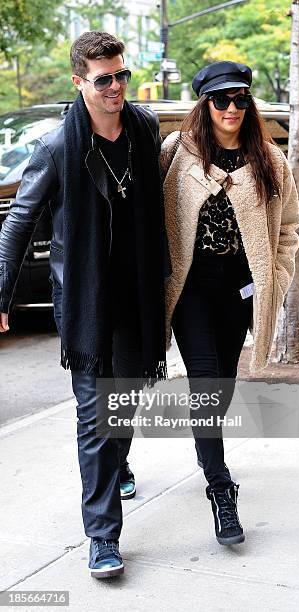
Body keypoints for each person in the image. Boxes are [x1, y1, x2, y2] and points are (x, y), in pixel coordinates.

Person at [0, 31, 169, 578]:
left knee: (128, 400)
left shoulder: (144, 127)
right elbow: (18, 223)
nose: (117, 86)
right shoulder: (55, 148)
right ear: (80, 82)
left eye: (122, 74)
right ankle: (102, 535)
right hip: (88, 303)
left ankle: (116, 465)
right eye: (104, 79)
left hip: (139, 297)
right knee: (97, 417)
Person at [161, 61, 299, 546]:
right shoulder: (176, 154)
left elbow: (288, 228)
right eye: (222, 100)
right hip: (191, 289)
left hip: (239, 290)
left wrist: (277, 279)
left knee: (220, 385)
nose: (232, 109)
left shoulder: (269, 158)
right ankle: (221, 489)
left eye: (241, 99)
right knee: (203, 381)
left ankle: (207, 454)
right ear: (205, 104)